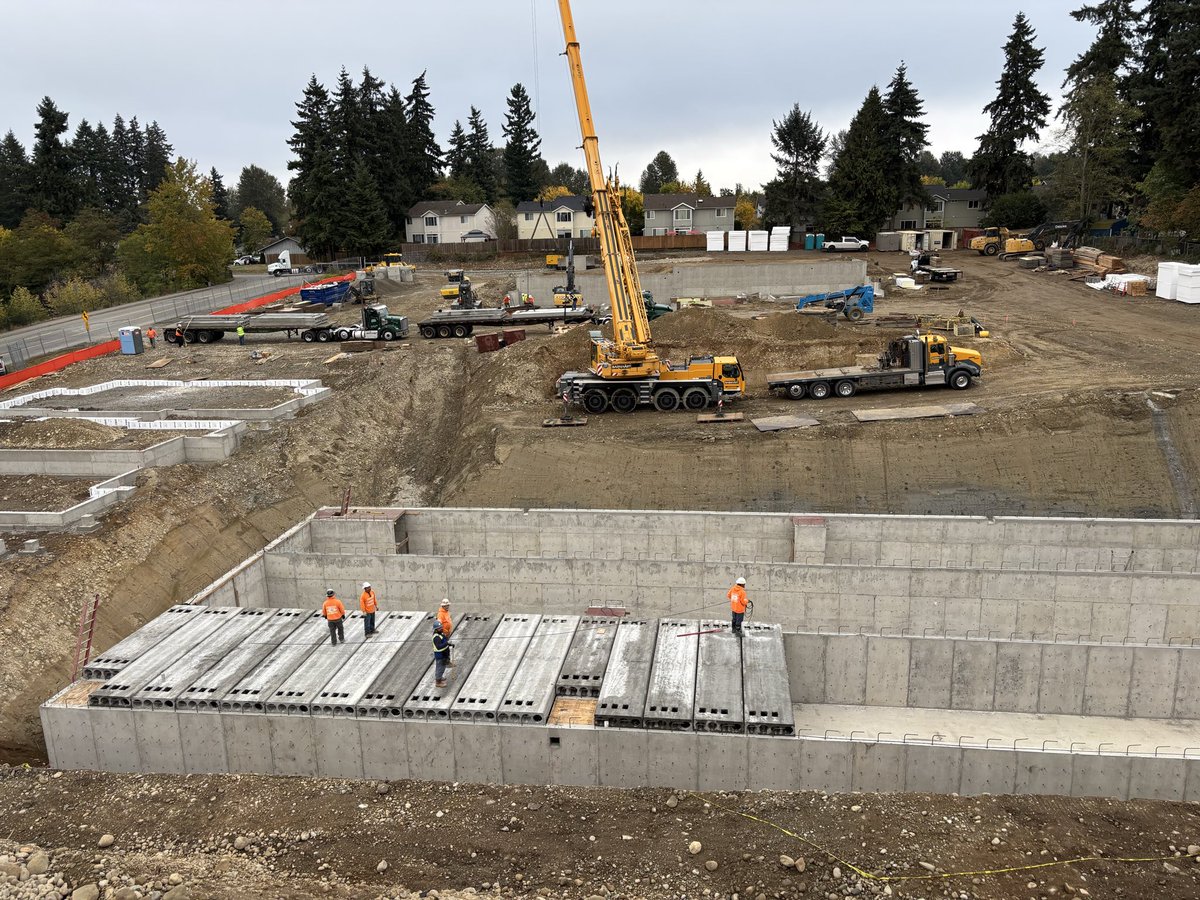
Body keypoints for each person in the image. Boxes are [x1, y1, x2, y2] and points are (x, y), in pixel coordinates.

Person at [432, 623, 451, 688]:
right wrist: (446, 643)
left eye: (441, 627)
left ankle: (439, 677)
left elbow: (444, 641)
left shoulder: (441, 634)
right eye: (440, 628)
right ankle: (438, 682)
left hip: (444, 654)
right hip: (440, 656)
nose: (441, 629)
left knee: (442, 668)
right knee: (440, 668)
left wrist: (449, 644)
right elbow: (438, 647)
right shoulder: (436, 637)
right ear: (436, 629)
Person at [437, 599, 455, 667]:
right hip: (444, 634)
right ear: (443, 606)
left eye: (448, 605)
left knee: (446, 647)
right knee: (445, 648)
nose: (447, 607)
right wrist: (445, 632)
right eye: (446, 606)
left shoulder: (446, 612)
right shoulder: (440, 614)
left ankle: (447, 661)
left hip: (447, 633)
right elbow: (439, 624)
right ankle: (445, 662)